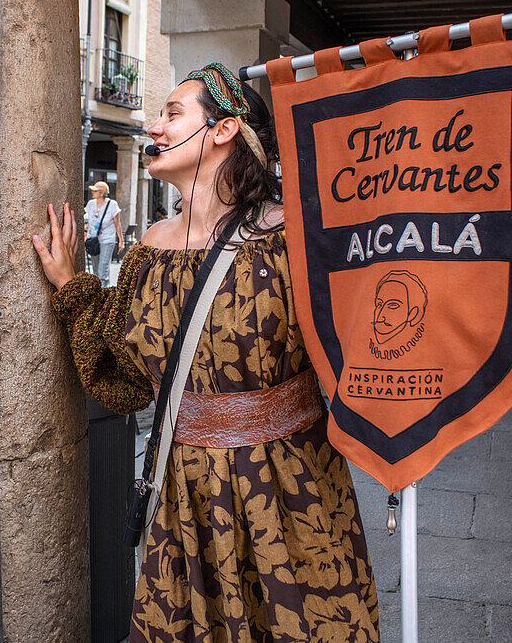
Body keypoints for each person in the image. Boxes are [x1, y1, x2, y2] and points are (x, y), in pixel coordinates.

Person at [34, 63, 378, 641]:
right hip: (188, 490)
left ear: (222, 131)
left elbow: (357, 342)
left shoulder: (290, 236)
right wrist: (73, 286)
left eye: (173, 114)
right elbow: (124, 375)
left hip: (290, 486)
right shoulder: (150, 250)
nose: (156, 128)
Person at [85, 180, 123, 287]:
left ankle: (105, 294)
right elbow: (89, 221)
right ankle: (97, 293)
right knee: (95, 270)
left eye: (95, 191)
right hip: (93, 240)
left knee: (103, 269)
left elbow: (117, 223)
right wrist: (85, 233)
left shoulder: (112, 205)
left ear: (102, 193)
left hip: (107, 239)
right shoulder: (90, 204)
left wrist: (121, 241)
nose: (92, 193)